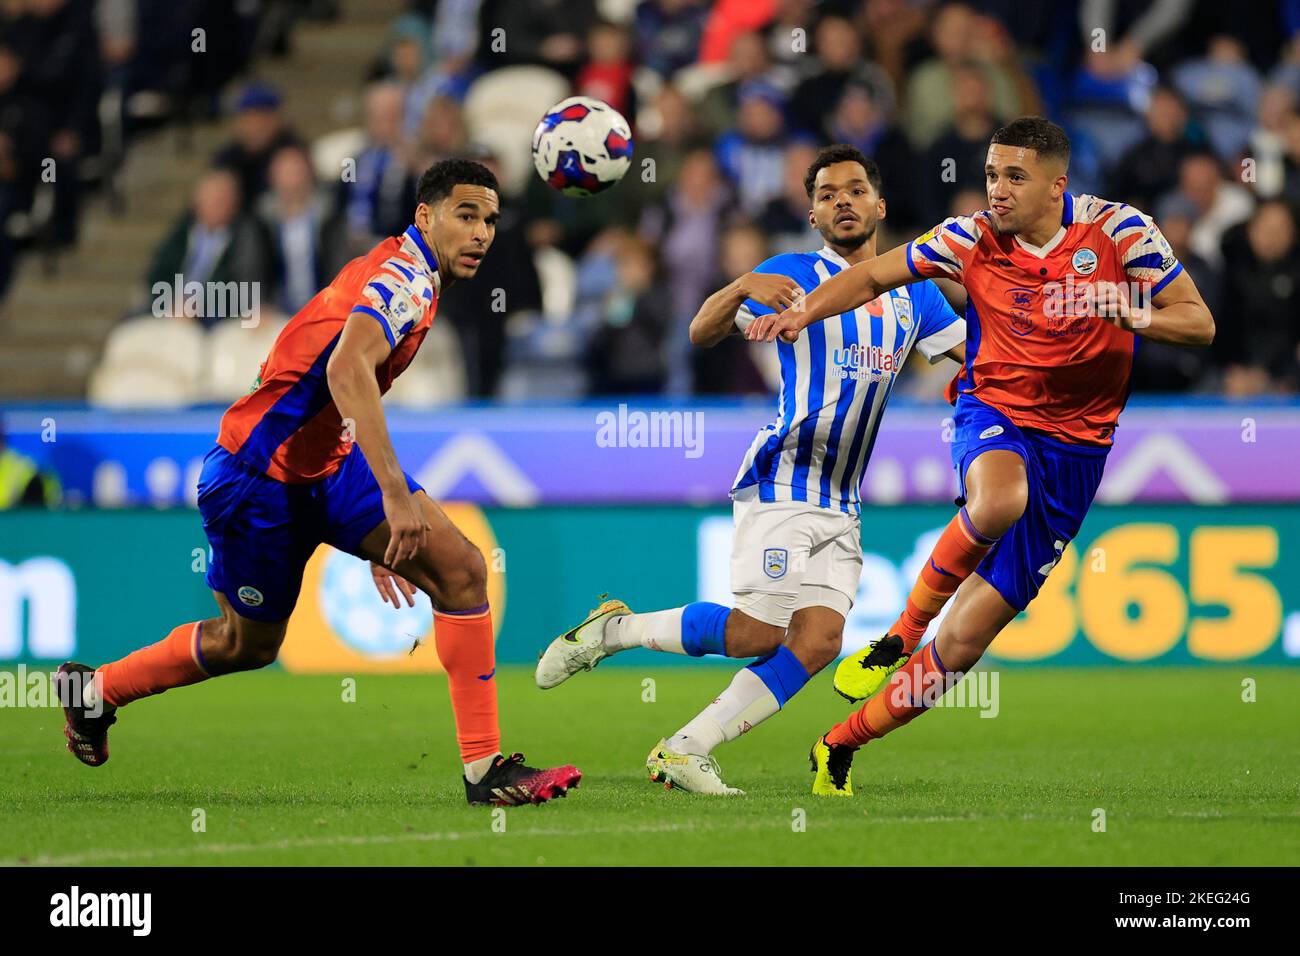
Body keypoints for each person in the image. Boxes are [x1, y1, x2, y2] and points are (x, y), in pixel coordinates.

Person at [59, 160, 581, 808]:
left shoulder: (408, 273)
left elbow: (342, 382)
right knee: (244, 645)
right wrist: (393, 496)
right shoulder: (405, 280)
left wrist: (370, 524)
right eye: (466, 215)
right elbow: (346, 368)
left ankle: (485, 771)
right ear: (425, 216)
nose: (481, 233)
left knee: (462, 571)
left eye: (492, 221)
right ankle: (97, 691)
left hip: (327, 465)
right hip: (257, 479)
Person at [746, 118, 1214, 795]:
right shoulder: (968, 237)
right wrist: (805, 313)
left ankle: (838, 745)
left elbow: (1199, 322)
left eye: (1014, 177)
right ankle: (899, 636)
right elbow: (874, 276)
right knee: (998, 500)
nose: (997, 190)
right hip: (993, 410)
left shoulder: (1121, 233)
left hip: (1078, 453)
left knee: (964, 643)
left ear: (1058, 186)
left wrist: (1132, 312)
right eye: (992, 174)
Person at [535, 145, 965, 794]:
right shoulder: (789, 273)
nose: (842, 201)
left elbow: (976, 361)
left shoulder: (916, 295)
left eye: (855, 190)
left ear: (881, 205)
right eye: (826, 194)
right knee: (759, 631)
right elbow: (699, 334)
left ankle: (686, 747)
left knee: (819, 641)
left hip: (842, 498)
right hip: (784, 478)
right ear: (814, 215)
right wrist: (740, 286)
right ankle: (613, 631)